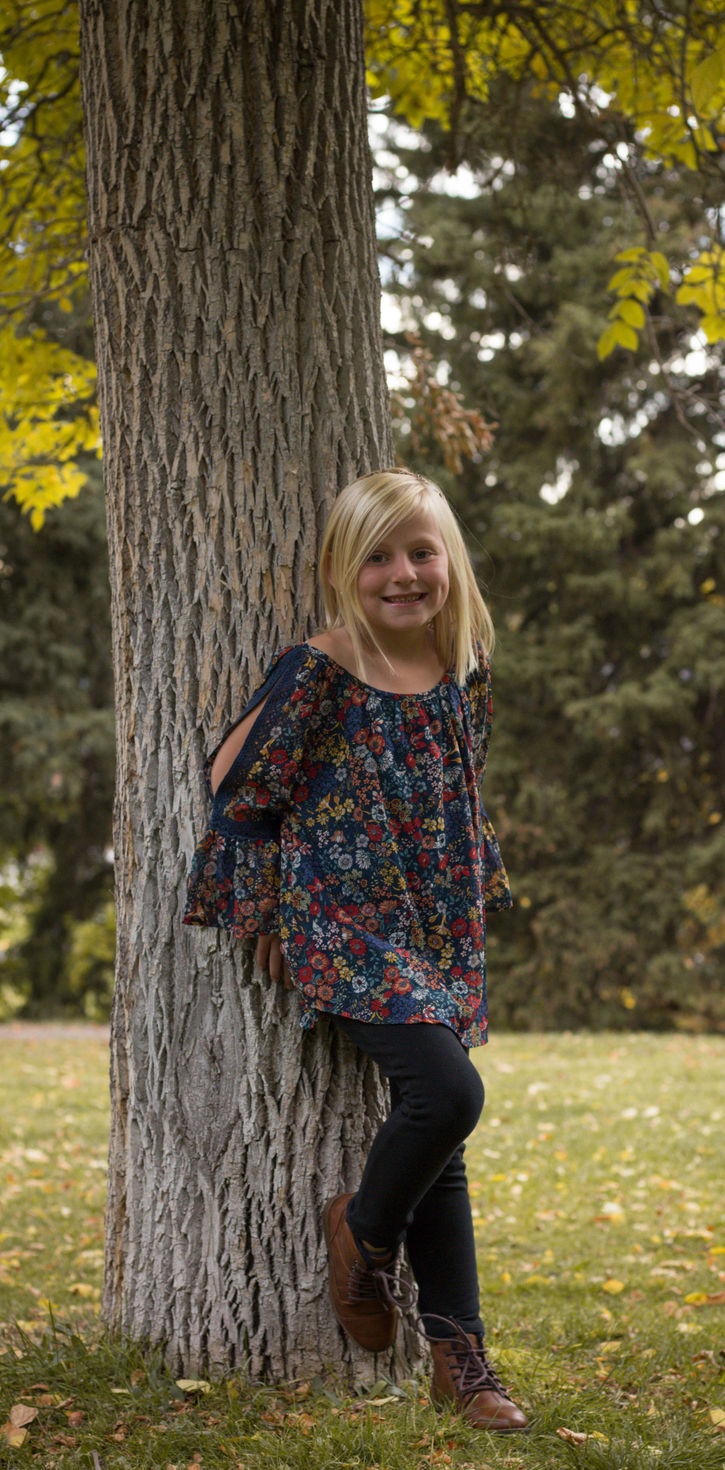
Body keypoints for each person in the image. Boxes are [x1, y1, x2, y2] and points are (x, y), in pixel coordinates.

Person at [182, 469, 528, 1433]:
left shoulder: (464, 665)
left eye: (421, 552)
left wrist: (465, 891)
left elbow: (458, 783)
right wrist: (263, 910)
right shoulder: (321, 670)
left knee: (441, 1130)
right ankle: (363, 1239)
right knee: (449, 1096)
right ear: (342, 569)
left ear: (450, 560)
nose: (404, 573)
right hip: (345, 922)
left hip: (434, 919)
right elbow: (235, 787)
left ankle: (460, 1359)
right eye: (378, 557)